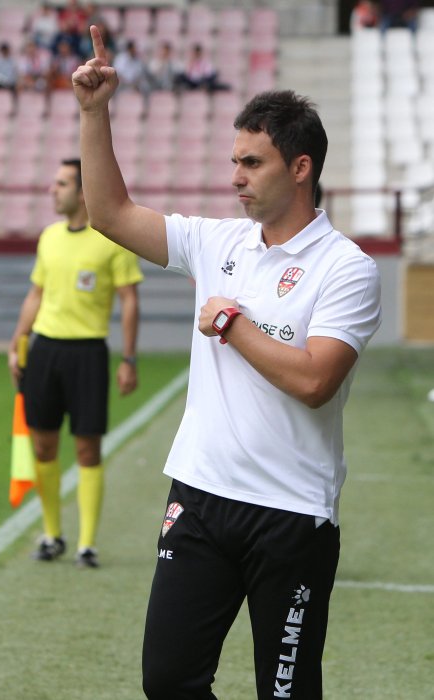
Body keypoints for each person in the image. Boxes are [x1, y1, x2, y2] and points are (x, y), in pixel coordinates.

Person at [72, 26, 381, 697]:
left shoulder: (347, 268)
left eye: (252, 163)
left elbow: (314, 380)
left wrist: (232, 325)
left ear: (300, 168)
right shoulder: (219, 241)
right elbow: (110, 212)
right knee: (169, 680)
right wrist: (94, 112)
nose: (234, 176)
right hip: (201, 499)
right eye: (235, 160)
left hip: (292, 514)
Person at [8, 157, 143, 569]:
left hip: (88, 354)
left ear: (83, 192)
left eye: (62, 183)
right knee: (43, 444)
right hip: (45, 350)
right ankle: (52, 535)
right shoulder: (48, 237)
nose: (54, 190)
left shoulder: (110, 240)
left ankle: (87, 543)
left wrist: (129, 358)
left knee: (87, 448)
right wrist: (18, 341)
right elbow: (36, 293)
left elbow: (129, 299)